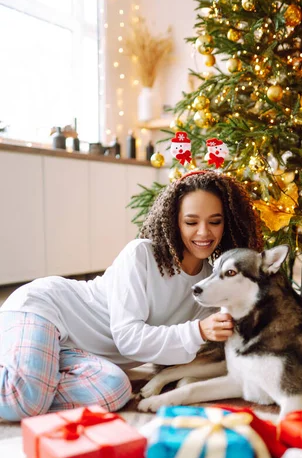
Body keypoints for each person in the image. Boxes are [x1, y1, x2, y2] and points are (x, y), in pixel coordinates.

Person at [0, 170, 264, 421]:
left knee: (115, 390)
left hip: (77, 353)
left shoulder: (211, 283)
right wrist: (198, 331)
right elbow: (128, 339)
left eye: (214, 222)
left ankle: (29, 376)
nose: (204, 232)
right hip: (47, 310)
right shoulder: (141, 254)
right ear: (174, 221)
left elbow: (188, 354)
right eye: (191, 222)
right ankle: (26, 381)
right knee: (26, 399)